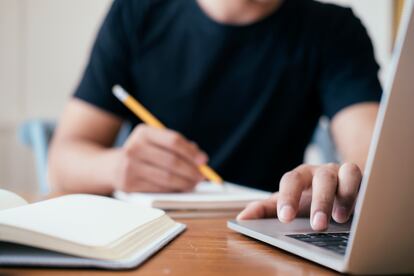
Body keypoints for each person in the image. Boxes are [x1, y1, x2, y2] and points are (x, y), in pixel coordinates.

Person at [48, 0, 381, 231]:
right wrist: (117, 167)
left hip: (265, 231)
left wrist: (340, 184)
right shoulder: (138, 11)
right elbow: (62, 163)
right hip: (147, 233)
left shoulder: (334, 30)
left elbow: (373, 157)